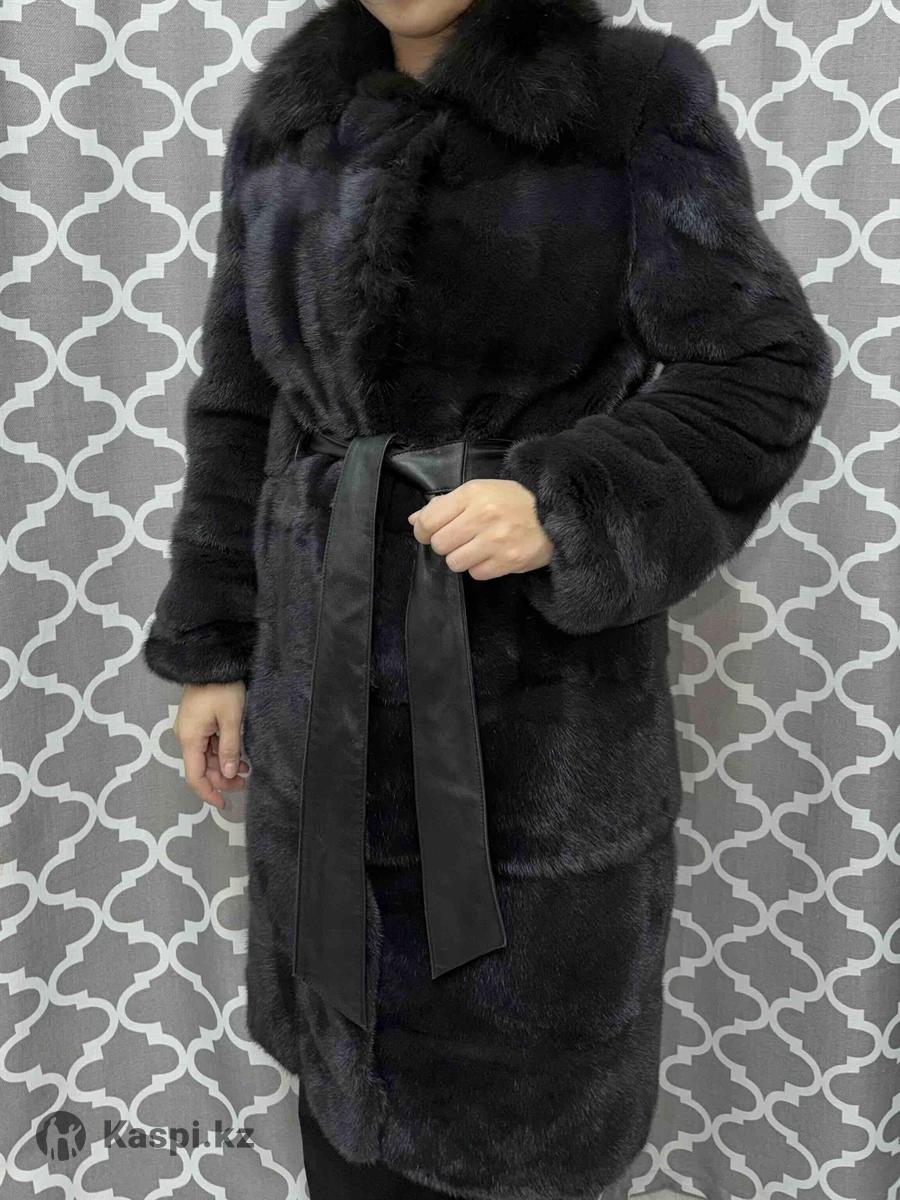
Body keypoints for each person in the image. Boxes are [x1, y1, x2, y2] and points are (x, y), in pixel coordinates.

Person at [141, 1, 834, 1197]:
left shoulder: (626, 99)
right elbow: (242, 400)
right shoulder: (287, 123)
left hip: (535, 731)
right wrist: (215, 648)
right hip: (319, 695)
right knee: (342, 1106)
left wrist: (565, 501)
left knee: (517, 1120)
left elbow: (761, 364)